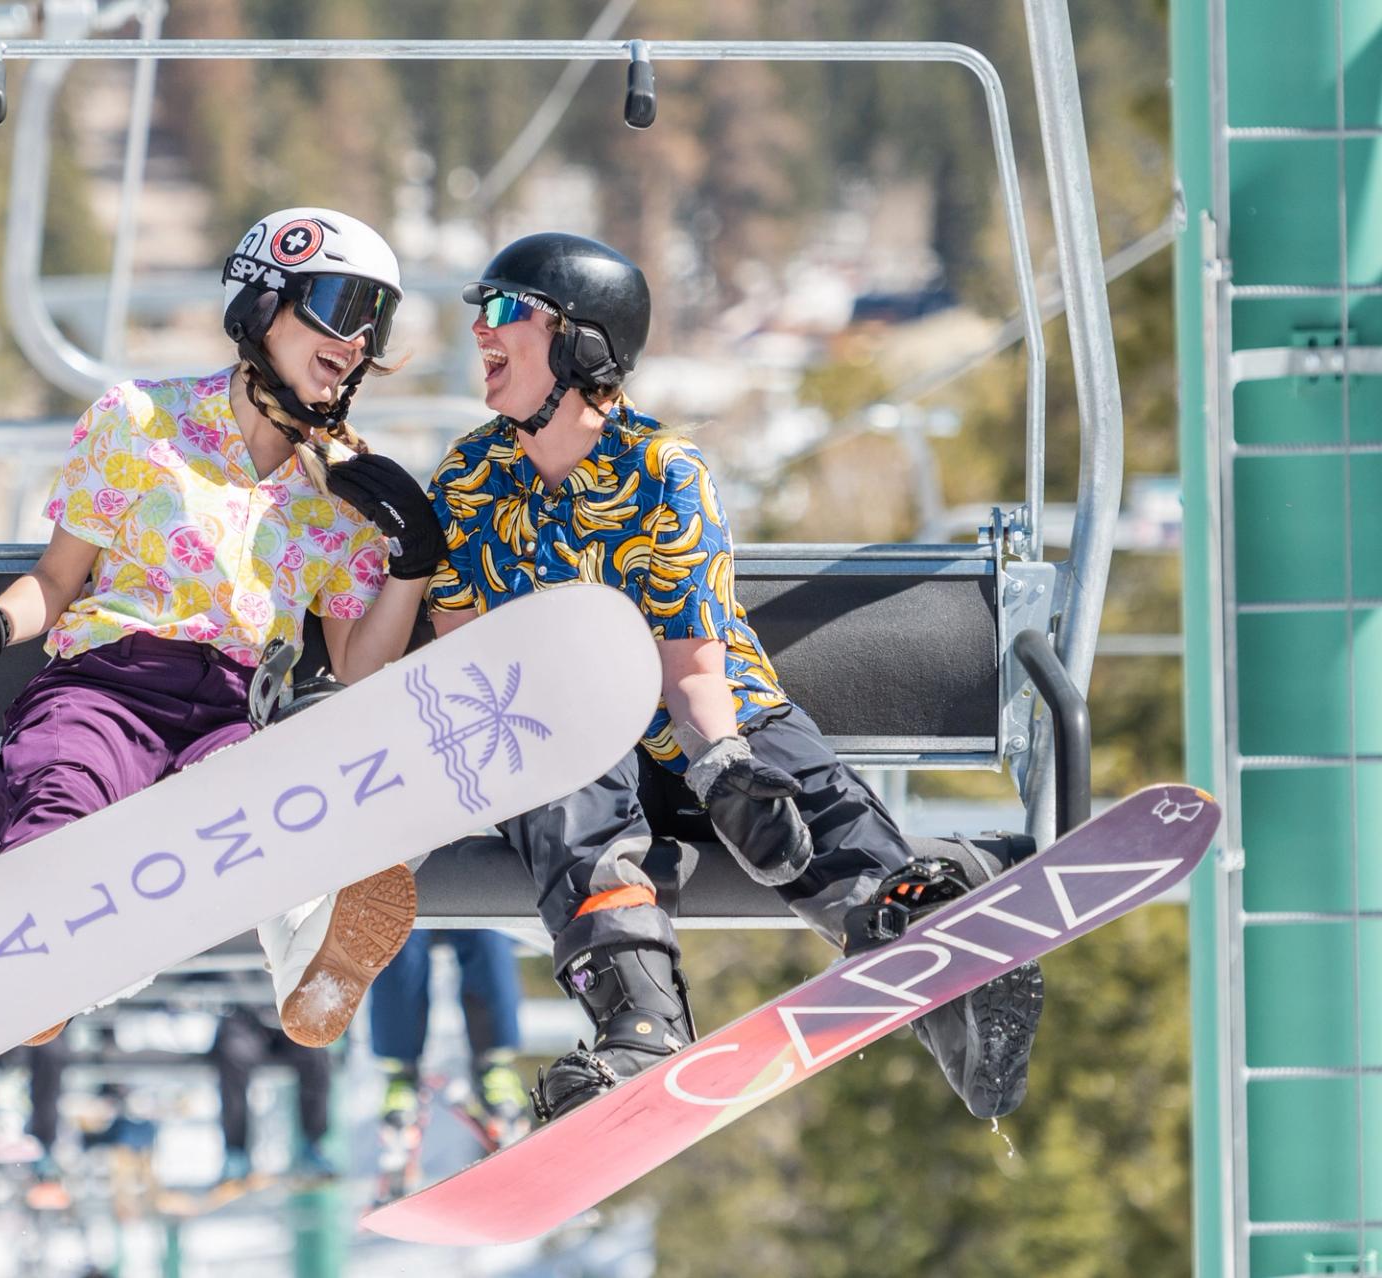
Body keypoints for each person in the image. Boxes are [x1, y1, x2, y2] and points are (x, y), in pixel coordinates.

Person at [423, 231, 1044, 1123]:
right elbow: (469, 660)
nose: (482, 330)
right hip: (569, 750)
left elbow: (694, 671)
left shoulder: (661, 473)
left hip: (702, 723)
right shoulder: (470, 482)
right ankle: (641, 1027)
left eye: (506, 311)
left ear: (581, 341)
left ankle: (919, 932)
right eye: (479, 310)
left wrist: (725, 775)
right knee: (560, 764)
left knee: (774, 769)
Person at [0, 206, 445, 1052]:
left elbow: (355, 663)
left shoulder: (339, 493)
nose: (357, 342)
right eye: (342, 306)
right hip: (108, 683)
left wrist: (411, 558)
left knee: (256, 811)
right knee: (67, 786)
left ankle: (311, 942)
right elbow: (59, 580)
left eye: (376, 322)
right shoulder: (141, 421)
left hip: (228, 713)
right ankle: (18, 925)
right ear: (263, 301)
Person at [370, 922, 531, 1171]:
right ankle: (400, 1073)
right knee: (396, 936)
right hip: (408, 894)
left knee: (488, 931)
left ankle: (494, 1064)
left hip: (470, 889)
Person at [209, 1004, 336, 1184]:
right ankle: (235, 1153)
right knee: (232, 1056)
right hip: (240, 1020)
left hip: (289, 1018)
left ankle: (312, 1146)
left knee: (315, 1053)